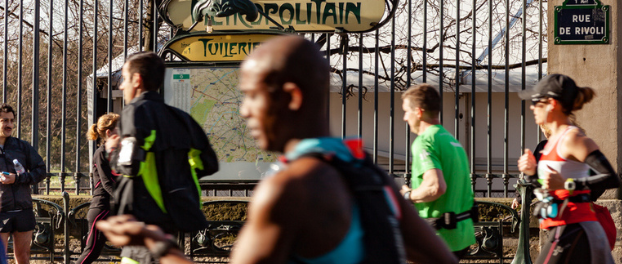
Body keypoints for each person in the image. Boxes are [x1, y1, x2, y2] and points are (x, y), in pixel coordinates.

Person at [98, 35, 457, 264]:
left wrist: (156, 245)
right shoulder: (371, 176)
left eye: (253, 96)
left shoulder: (288, 188)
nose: (244, 110)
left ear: (290, 97)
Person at [109, 52, 219, 264]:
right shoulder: (181, 117)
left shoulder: (134, 111)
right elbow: (208, 163)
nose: (122, 86)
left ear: (137, 80)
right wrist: (174, 176)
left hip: (144, 221)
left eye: (124, 78)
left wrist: (112, 151)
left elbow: (129, 165)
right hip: (172, 217)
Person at [516, 74, 620, 264]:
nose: (532, 107)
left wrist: (566, 183)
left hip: (575, 226)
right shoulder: (550, 143)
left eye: (537, 102)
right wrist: (532, 174)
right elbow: (547, 187)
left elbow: (610, 178)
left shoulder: (573, 139)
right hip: (561, 225)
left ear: (552, 104)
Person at [399, 84, 476, 260]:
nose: (404, 117)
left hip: (439, 237)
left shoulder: (424, 142)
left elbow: (436, 187)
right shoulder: (451, 141)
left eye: (406, 111)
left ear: (418, 112)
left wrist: (407, 196)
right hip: (461, 235)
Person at [0, 104, 47, 264]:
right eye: (4, 120)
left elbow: (41, 171)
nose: (9, 125)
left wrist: (18, 178)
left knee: (23, 258)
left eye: (11, 121)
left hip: (23, 209)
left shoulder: (22, 146)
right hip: (1, 211)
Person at [76, 113, 121, 264]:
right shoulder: (101, 153)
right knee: (91, 252)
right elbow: (107, 183)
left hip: (114, 209)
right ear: (109, 133)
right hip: (102, 209)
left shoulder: (117, 154)